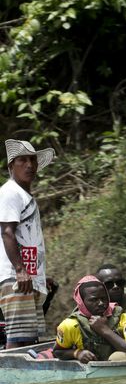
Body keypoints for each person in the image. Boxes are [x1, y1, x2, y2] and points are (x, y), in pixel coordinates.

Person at [0, 139, 55, 349]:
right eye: (22, 160)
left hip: (27, 278)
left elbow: (28, 239)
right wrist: (20, 270)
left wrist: (39, 275)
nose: (30, 165)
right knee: (17, 338)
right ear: (11, 166)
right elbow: (7, 233)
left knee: (29, 339)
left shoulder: (23, 195)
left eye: (32, 160)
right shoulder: (10, 192)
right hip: (17, 278)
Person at [53, 276, 126, 363]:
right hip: (101, 373)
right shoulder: (70, 325)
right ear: (82, 302)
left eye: (103, 298)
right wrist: (77, 353)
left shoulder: (124, 317)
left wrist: (105, 330)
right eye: (94, 300)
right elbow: (58, 352)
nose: (101, 303)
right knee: (118, 357)